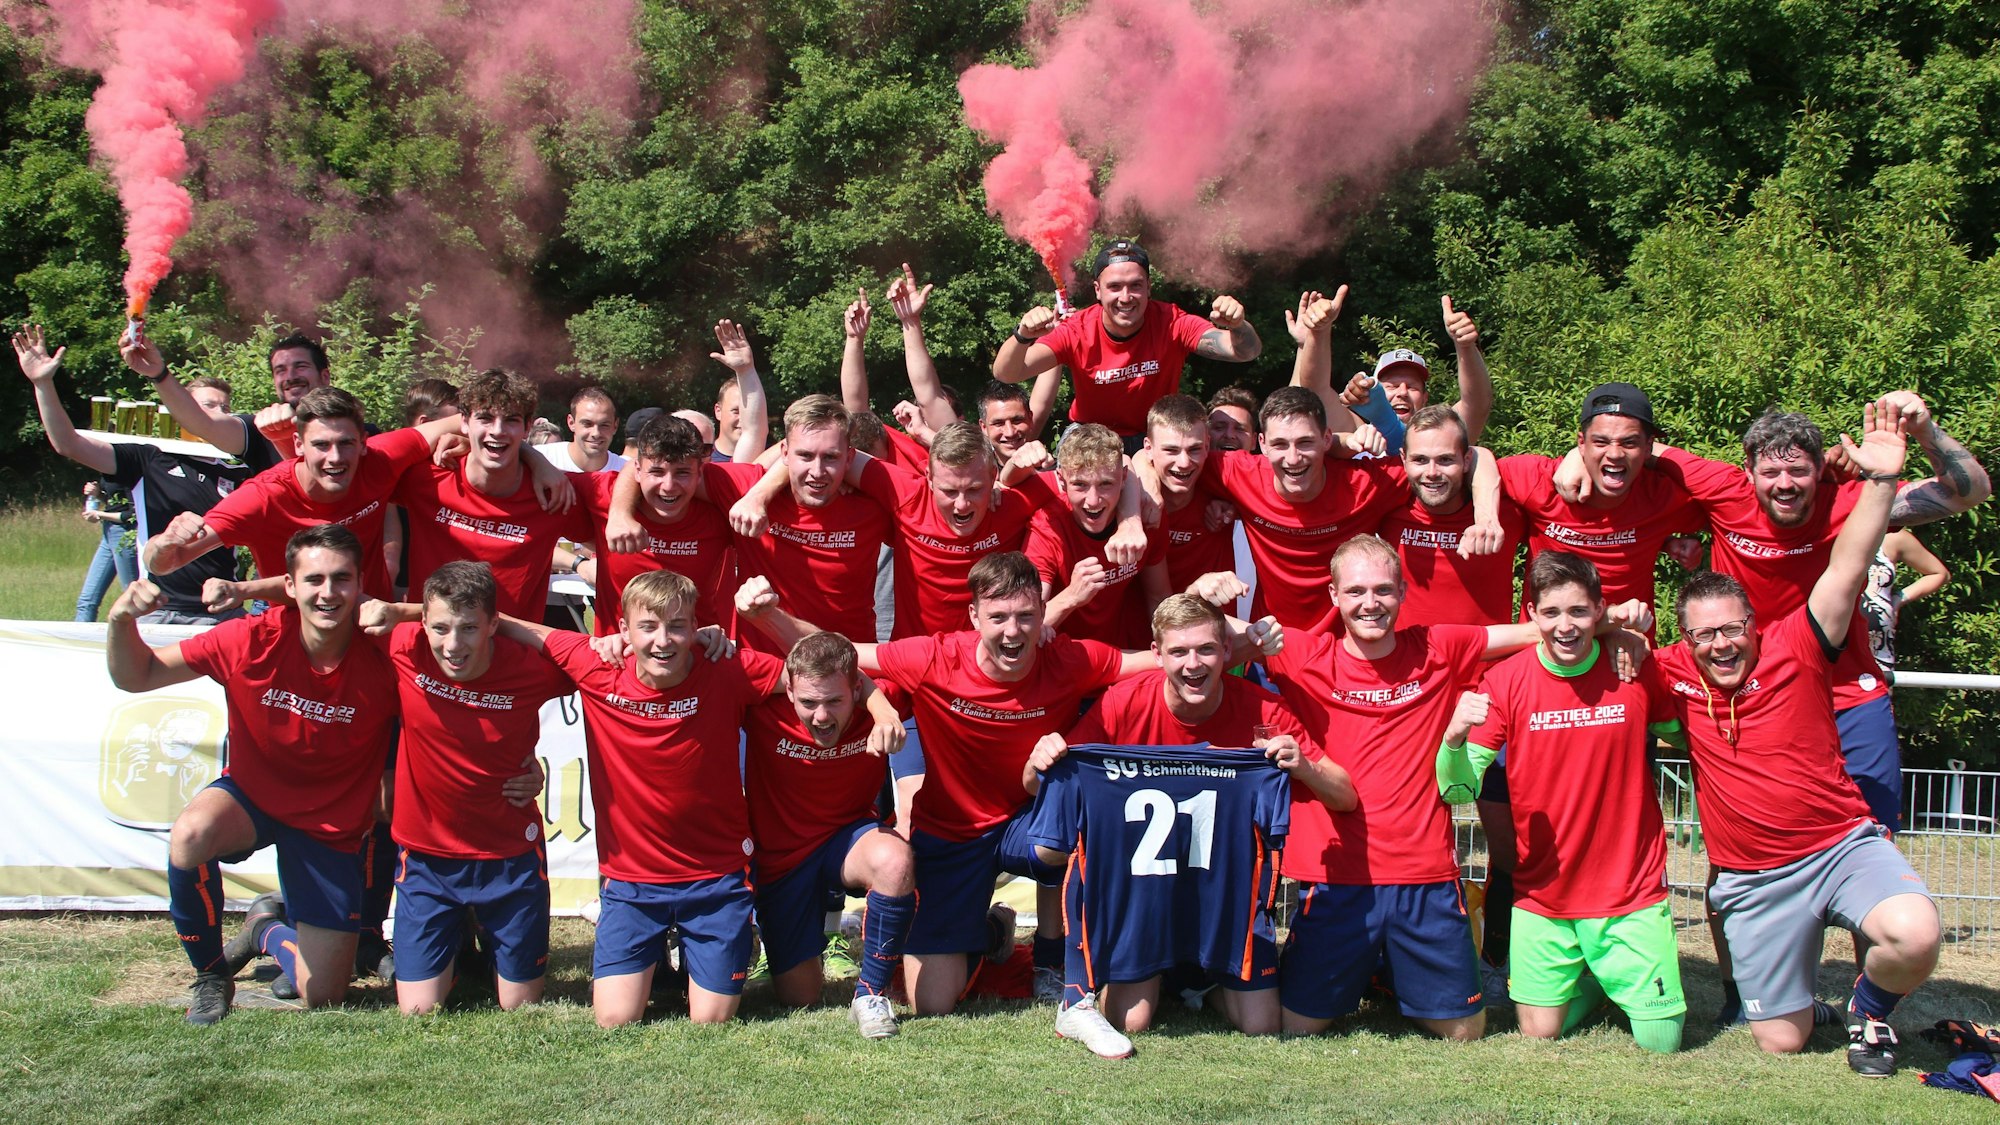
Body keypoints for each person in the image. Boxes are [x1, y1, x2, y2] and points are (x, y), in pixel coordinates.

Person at [734, 553, 1282, 1023]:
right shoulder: (934, 656)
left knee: (1067, 835)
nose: (1013, 631)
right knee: (932, 1002)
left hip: (1026, 822)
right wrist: (767, 616)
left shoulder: (1070, 658)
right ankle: (993, 934)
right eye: (998, 617)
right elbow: (843, 655)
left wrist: (1241, 643)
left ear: (1045, 613)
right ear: (974, 616)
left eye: (1025, 616)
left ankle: (1051, 957)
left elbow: (1162, 660)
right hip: (949, 835)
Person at [1653, 400, 1941, 1076]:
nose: (1721, 644)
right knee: (1780, 1039)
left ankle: (1869, 1011)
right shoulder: (1669, 669)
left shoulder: (1800, 644)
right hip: (1758, 880)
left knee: (1916, 932)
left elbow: (1846, 564)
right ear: (1685, 640)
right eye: (1705, 635)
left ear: (1756, 624)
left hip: (1837, 844)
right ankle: (1809, 1006)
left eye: (1732, 629)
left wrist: (1880, 480)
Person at [1266, 534, 1649, 1041]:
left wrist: (1613, 625)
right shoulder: (1302, 652)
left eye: (1383, 590)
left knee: (1465, 1031)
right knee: (1297, 1028)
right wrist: (1207, 590)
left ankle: (1389, 975)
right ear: (1334, 596)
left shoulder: (1438, 645)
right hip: (1338, 874)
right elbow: (1210, 639)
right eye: (1356, 591)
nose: (1370, 604)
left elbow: (1534, 632)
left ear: (1403, 592)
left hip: (1423, 869)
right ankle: (1376, 967)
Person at [1029, 594, 1355, 1055]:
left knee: (1261, 1025)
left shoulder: (1264, 712)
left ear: (1227, 651)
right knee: (1131, 1020)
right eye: (1179, 652)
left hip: (1225, 902)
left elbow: (1345, 793)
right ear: (1157, 653)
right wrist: (1039, 759)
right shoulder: (1122, 704)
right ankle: (1152, 975)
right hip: (1145, 898)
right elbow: (1049, 777)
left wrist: (1304, 766)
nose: (1193, 664)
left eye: (1205, 649)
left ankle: (1199, 987)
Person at [103, 525, 400, 1024]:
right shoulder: (247, 638)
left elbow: (463, 652)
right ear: (289, 586)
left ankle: (265, 928)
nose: (328, 593)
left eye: (342, 579)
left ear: (360, 585)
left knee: (324, 994)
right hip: (253, 796)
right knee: (192, 832)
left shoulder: (388, 652)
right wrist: (119, 620)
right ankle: (211, 974)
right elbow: (139, 675)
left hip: (330, 824)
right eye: (315, 580)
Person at [487, 569, 773, 1026]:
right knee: (614, 1019)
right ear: (622, 631)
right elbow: (510, 624)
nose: (664, 640)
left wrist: (876, 706)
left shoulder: (726, 665)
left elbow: (815, 675)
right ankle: (659, 952)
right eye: (649, 627)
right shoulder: (596, 665)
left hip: (715, 877)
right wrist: (398, 610)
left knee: (711, 1021)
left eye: (678, 626)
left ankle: (737, 937)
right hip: (632, 882)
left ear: (696, 627)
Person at [1441, 551, 1687, 1054]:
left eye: (1578, 611)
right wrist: (1452, 740)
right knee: (1538, 1032)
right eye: (1550, 613)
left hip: (1631, 891)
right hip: (1544, 897)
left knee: (1661, 1042)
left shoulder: (1633, 667)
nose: (1565, 625)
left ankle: (1618, 980)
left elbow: (1688, 734)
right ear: (1531, 616)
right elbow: (1458, 791)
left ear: (1600, 610)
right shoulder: (1506, 680)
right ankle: (1599, 986)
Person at [367, 561, 569, 1014]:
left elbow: (598, 657)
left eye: (469, 629)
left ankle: (480, 948)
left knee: (519, 1006)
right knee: (418, 1009)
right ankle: (460, 953)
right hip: (427, 858)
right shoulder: (404, 646)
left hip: (509, 857)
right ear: (421, 622)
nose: (452, 645)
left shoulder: (531, 669)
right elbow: (319, 603)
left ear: (495, 624)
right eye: (439, 628)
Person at [1141, 386, 1497, 633]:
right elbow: (1147, 457)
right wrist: (1140, 510)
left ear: (1327, 439)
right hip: (1274, 646)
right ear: (1261, 444)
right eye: (1280, 444)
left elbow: (1475, 455)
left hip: (1349, 646)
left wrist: (1486, 519)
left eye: (1306, 443)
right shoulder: (1237, 472)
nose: (1293, 458)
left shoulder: (1367, 483)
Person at [15, 324, 249, 626]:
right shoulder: (150, 458)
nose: (219, 412)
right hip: (159, 610)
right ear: (182, 410)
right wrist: (43, 384)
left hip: (221, 613)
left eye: (225, 407)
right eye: (208, 405)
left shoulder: (239, 469)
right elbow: (68, 444)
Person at [743, 631, 912, 1039]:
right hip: (782, 862)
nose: (821, 716)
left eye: (834, 701)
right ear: (788, 690)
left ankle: (870, 994)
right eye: (809, 702)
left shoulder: (883, 702)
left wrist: (885, 711)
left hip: (847, 839)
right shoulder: (760, 704)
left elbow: (949, 668)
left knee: (895, 859)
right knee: (799, 995)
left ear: (857, 690)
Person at [994, 240, 1261, 443]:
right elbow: (1007, 373)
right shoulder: (1076, 330)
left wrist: (1238, 325)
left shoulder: (1172, 321)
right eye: (1115, 287)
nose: (1125, 297)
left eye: (1135, 285)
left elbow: (1244, 352)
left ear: (1148, 288)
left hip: (1155, 437)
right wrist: (1023, 336)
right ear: (1098, 291)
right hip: (1091, 435)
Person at [703, 394, 901, 654]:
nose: (817, 471)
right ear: (784, 452)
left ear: (850, 458)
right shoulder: (744, 487)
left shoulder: (876, 502)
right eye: (805, 455)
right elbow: (662, 476)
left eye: (831, 457)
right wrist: (627, 515)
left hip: (845, 670)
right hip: (766, 673)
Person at [390, 368, 593, 620]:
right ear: (463, 422)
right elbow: (370, 458)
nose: (498, 430)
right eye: (485, 418)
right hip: (433, 650)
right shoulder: (428, 478)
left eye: (511, 420)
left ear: (527, 427)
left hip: (513, 654)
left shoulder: (553, 492)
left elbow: (617, 543)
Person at [1496, 383, 1699, 627]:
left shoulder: (1662, 495)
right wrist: (1487, 518)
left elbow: (1728, 506)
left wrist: (1667, 542)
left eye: (1629, 443)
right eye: (1601, 442)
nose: (1614, 454)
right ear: (1582, 442)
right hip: (1546, 647)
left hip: (1626, 652)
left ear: (1648, 447)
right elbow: (1473, 461)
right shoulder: (1540, 481)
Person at [580, 415, 734, 635]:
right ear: (637, 470)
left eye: (682, 472)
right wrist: (619, 512)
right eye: (656, 472)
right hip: (619, 658)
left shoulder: (721, 508)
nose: (669, 486)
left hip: (697, 655)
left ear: (700, 473)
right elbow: (524, 477)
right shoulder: (599, 494)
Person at [1026, 423, 1170, 645]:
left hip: (1124, 652)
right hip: (1064, 655)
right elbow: (1024, 623)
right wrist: (1072, 596)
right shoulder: (1048, 527)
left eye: (1105, 484)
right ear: (1062, 481)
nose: (1093, 500)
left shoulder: (1147, 519)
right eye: (1080, 485)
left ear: (1124, 478)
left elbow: (1158, 598)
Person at [128, 328, 334, 473]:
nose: (290, 377)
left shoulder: (359, 431)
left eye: (300, 366)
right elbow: (201, 422)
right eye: (280, 370)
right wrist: (158, 373)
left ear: (324, 376)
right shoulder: (261, 431)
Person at [1864, 528, 1951, 678]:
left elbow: (1939, 574)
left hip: (1877, 657)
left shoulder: (1891, 536)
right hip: (1825, 652)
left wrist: (1897, 600)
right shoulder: (1820, 531)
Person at [74, 479, 136, 623]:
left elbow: (133, 514)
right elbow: (117, 504)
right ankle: (80, 642)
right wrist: (98, 494)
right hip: (108, 533)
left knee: (134, 599)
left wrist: (100, 515)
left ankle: (140, 641)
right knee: (86, 601)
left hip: (125, 534)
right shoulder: (107, 473)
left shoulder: (130, 472)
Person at [709, 319, 770, 463]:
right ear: (718, 410)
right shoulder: (699, 462)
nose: (744, 418)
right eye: (736, 411)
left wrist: (746, 371)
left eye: (747, 410)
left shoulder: (771, 461)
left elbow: (755, 431)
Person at [538, 386, 626, 474]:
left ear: (615, 426)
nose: (596, 433)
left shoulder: (626, 472)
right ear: (571, 423)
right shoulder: (542, 458)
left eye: (604, 425)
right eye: (587, 424)